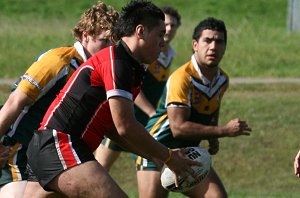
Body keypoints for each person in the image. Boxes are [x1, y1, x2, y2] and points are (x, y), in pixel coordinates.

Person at [23, 1, 200, 197]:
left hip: (51, 148)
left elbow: (114, 129)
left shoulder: (130, 68)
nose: (163, 42)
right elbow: (126, 126)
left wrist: (156, 156)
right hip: (59, 145)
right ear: (140, 31)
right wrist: (168, 155)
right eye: (160, 34)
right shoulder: (117, 61)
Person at [0, 1, 119, 197]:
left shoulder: (100, 72)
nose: (109, 48)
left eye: (114, 43)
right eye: (104, 41)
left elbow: (111, 127)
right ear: (85, 35)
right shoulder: (60, 61)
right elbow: (15, 102)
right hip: (17, 149)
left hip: (52, 155)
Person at [135, 17, 252, 198]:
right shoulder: (182, 78)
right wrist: (223, 131)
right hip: (156, 150)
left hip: (188, 153)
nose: (213, 47)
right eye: (207, 40)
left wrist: (213, 137)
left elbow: (212, 109)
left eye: (219, 41)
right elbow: (178, 128)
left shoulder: (222, 80)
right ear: (195, 44)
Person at [95, 6, 182, 171]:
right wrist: (152, 113)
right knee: (100, 167)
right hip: (125, 113)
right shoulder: (143, 54)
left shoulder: (168, 54)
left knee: (147, 163)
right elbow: (130, 87)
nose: (169, 29)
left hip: (142, 120)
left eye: (173, 26)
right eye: (166, 25)